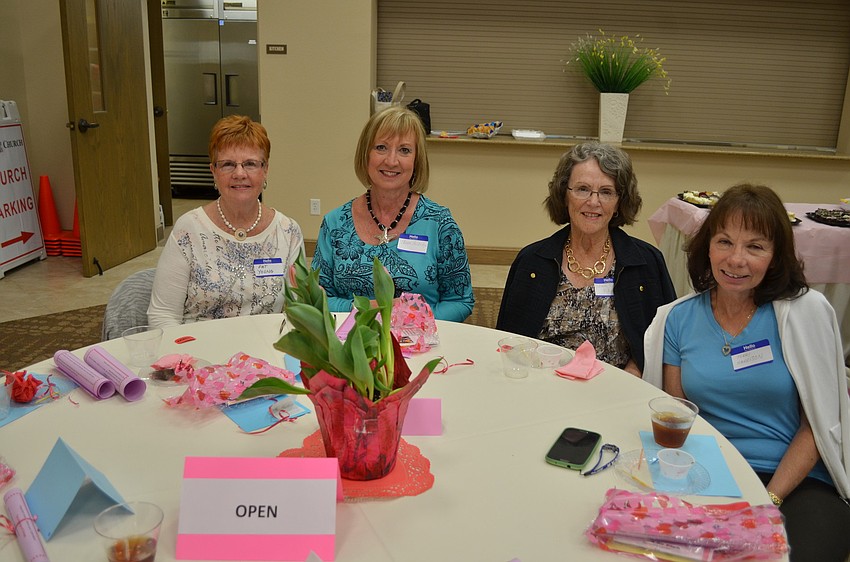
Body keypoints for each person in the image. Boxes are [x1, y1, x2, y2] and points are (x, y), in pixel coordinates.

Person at [643, 184, 850, 561]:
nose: (736, 259)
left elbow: (819, 425)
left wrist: (768, 500)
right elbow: (679, 417)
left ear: (775, 256)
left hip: (795, 482)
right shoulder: (677, 319)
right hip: (709, 475)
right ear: (707, 246)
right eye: (725, 242)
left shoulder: (805, 315)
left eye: (755, 247)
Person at [496, 142, 676, 377]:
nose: (593, 202)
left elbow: (666, 339)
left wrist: (635, 372)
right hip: (543, 389)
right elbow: (507, 342)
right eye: (582, 189)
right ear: (564, 195)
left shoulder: (645, 263)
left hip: (616, 392)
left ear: (619, 202)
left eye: (606, 192)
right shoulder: (532, 262)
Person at [311, 106, 474, 322]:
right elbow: (316, 297)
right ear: (365, 155)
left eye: (404, 150)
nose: (391, 160)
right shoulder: (335, 223)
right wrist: (368, 309)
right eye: (381, 147)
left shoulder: (439, 223)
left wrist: (412, 318)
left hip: (420, 345)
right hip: (349, 345)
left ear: (417, 161)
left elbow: (460, 301)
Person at [148, 115, 304, 327]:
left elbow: (299, 310)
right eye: (228, 165)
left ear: (265, 170)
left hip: (263, 351)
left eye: (250, 164)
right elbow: (162, 316)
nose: (239, 174)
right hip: (198, 351)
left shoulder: (288, 232)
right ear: (213, 171)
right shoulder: (189, 230)